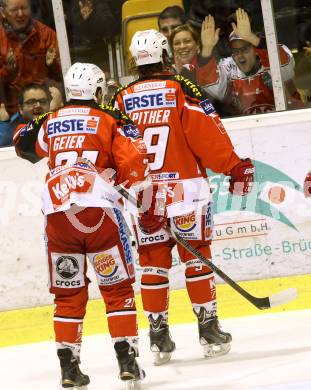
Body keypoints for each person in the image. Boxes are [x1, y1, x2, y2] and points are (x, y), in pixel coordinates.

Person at [110, 29, 254, 365]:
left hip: (144, 194)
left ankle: (158, 336)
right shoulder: (180, 88)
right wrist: (233, 166)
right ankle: (208, 328)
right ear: (164, 55)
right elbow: (207, 136)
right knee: (197, 256)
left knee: (153, 262)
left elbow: (112, 148)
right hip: (185, 190)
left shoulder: (119, 98)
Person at [13, 63, 159, 388]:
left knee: (67, 296)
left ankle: (69, 369)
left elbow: (22, 144)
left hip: (59, 218)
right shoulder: (111, 118)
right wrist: (121, 180)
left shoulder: (50, 120)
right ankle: (128, 363)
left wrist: (47, 118)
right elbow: (136, 164)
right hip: (99, 216)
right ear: (96, 91)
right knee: (118, 290)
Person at [198, 9, 303, 116]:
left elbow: (285, 67)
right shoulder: (227, 66)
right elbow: (210, 84)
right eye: (235, 51)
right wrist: (206, 49)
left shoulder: (271, 56)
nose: (240, 55)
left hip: (289, 121)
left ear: (255, 49)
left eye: (244, 49)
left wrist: (251, 37)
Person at [0, 0, 61, 117]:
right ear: (3, 13)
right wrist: (7, 71)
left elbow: (62, 77)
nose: (20, 14)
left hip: (43, 109)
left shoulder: (46, 35)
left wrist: (52, 65)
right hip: (11, 113)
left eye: (24, 8)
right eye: (14, 10)